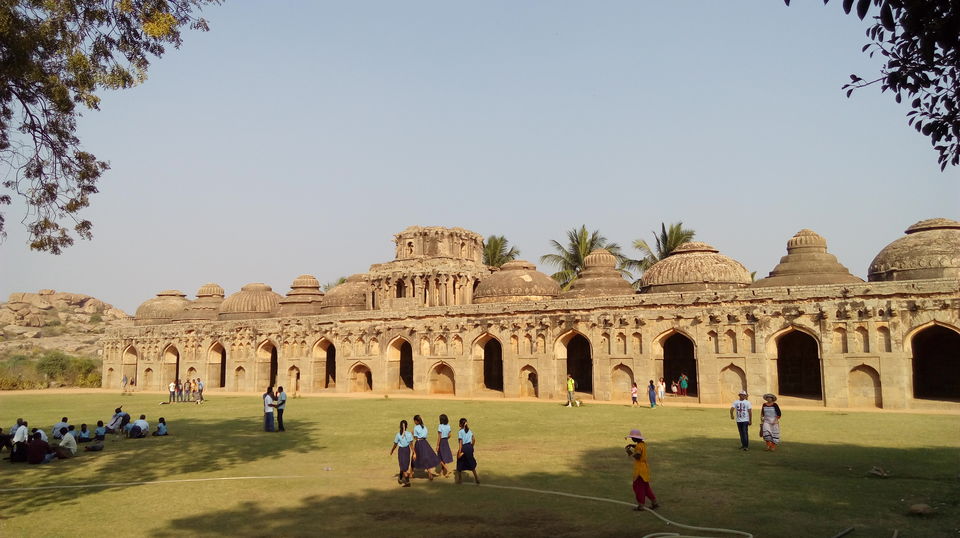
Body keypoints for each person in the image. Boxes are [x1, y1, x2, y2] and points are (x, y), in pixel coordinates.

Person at [625, 429, 659, 511]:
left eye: (633, 438)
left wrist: (629, 452)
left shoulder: (639, 447)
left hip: (640, 470)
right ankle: (654, 502)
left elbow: (638, 456)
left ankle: (641, 506)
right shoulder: (642, 444)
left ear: (636, 438)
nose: (632, 439)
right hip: (644, 469)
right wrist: (633, 446)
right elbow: (639, 448)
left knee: (638, 487)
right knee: (646, 487)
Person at [411, 415, 440, 480]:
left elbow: (415, 438)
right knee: (426, 457)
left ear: (416, 421)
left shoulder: (416, 427)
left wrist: (413, 434)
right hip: (425, 442)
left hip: (418, 443)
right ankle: (429, 473)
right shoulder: (424, 427)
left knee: (413, 457)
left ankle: (411, 473)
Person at [389, 419, 414, 487]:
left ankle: (407, 482)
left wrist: (392, 450)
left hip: (401, 451)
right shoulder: (409, 434)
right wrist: (414, 452)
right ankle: (400, 477)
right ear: (407, 426)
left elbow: (395, 444)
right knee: (404, 465)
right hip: (407, 450)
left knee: (403, 466)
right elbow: (411, 444)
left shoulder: (398, 435)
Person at [455, 417, 478, 485]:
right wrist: (471, 446)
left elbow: (460, 443)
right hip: (469, 447)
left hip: (464, 448)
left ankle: (460, 479)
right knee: (471, 462)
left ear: (460, 424)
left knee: (459, 463)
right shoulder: (469, 430)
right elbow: (473, 439)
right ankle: (477, 478)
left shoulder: (460, 432)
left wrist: (459, 451)